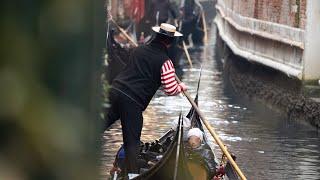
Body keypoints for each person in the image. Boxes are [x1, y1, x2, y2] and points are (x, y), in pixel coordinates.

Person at [104, 23, 187, 175]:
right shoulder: (165, 62)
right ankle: (133, 174)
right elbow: (170, 89)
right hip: (132, 102)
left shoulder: (138, 49)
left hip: (115, 90)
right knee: (132, 141)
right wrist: (180, 87)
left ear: (156, 36)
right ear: (170, 42)